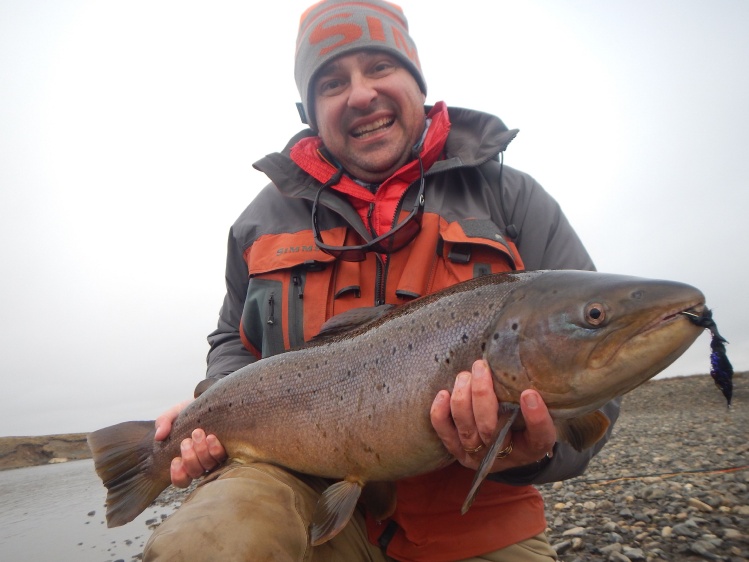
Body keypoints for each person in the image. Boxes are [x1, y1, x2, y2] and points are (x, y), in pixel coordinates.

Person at [144, 1, 620, 560]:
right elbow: (234, 340)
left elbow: (592, 403)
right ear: (310, 110)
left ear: (416, 80)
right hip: (300, 488)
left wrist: (535, 452)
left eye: (379, 66)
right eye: (331, 82)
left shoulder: (510, 199)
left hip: (476, 516)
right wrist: (212, 406)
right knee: (207, 544)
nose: (361, 93)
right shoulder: (258, 222)